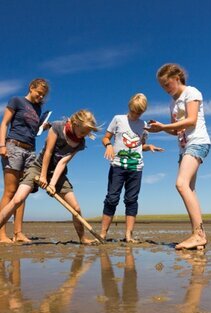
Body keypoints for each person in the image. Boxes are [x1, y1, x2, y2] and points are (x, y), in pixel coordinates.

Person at [0, 109, 99, 244]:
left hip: (57, 173)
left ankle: (83, 238)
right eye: (82, 132)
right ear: (75, 123)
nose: (83, 136)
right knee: (18, 199)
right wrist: (42, 176)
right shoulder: (57, 126)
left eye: (86, 134)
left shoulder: (80, 143)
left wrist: (52, 183)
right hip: (38, 167)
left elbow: (63, 162)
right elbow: (48, 152)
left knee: (76, 208)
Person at [146, 63, 211, 250]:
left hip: (197, 142)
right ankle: (200, 235)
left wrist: (164, 126)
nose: (165, 89)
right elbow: (177, 131)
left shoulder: (192, 92)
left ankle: (198, 235)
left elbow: (191, 120)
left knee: (181, 184)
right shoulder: (172, 103)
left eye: (167, 84)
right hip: (184, 148)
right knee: (190, 188)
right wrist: (159, 129)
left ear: (177, 78)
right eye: (162, 86)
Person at [100, 93, 163, 242]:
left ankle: (128, 235)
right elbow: (105, 137)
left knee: (131, 200)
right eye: (134, 111)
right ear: (129, 107)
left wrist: (150, 147)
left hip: (136, 168)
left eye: (139, 112)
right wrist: (108, 145)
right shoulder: (118, 119)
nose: (136, 115)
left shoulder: (143, 126)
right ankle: (102, 234)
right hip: (117, 166)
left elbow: (139, 146)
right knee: (112, 198)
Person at [0, 78, 50, 243]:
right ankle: (1, 233)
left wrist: (44, 126)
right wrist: (2, 145)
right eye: (39, 93)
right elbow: (4, 123)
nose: (40, 97)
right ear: (31, 87)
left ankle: (18, 233)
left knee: (23, 192)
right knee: (10, 191)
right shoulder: (17, 100)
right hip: (13, 146)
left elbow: (34, 131)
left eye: (43, 95)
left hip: (30, 151)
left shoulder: (37, 108)